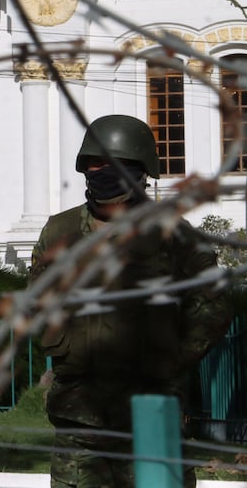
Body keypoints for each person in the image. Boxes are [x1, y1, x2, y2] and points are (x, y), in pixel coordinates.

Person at [30, 114, 232, 487]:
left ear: (139, 170)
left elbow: (213, 306)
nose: (99, 171)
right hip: (80, 417)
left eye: (112, 163)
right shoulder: (60, 232)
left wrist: (171, 361)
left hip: (151, 410)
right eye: (93, 163)